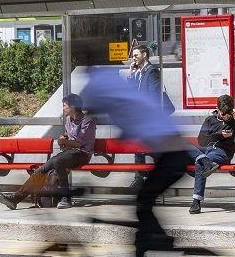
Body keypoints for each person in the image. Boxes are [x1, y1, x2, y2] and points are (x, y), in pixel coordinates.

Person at [78, 67, 191, 257]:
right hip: (173, 153)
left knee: (143, 201)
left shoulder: (99, 82)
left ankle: (161, 241)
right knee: (142, 205)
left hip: (172, 155)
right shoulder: (119, 86)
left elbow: (87, 103)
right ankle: (150, 241)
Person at [0, 94, 96, 210]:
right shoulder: (68, 119)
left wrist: (63, 141)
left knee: (57, 160)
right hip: (69, 154)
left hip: (82, 154)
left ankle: (66, 198)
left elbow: (79, 143)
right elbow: (69, 135)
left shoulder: (87, 121)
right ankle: (15, 198)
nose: (63, 108)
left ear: (72, 106)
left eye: (64, 105)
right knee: (42, 169)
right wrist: (64, 138)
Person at [187, 94, 235, 214]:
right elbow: (201, 140)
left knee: (200, 163)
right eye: (223, 113)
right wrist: (219, 135)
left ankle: (196, 202)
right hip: (206, 150)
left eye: (228, 113)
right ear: (217, 109)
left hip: (222, 152)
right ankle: (205, 161)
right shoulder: (210, 120)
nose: (226, 116)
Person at [127, 44, 163, 188]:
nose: (133, 58)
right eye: (133, 55)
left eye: (136, 55)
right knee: (138, 148)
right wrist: (131, 74)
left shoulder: (152, 71)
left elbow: (154, 97)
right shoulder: (140, 72)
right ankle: (139, 178)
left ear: (144, 55)